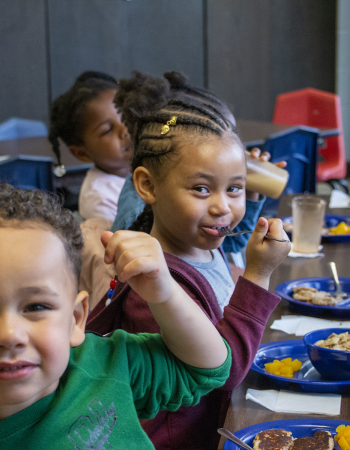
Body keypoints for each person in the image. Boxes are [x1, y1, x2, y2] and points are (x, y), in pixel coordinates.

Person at [87, 71, 291, 450]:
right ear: (147, 186)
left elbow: (227, 233)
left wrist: (254, 210)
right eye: (201, 188)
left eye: (235, 188)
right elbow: (223, 371)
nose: (222, 207)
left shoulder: (197, 246)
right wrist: (259, 273)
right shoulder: (155, 287)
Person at [0, 184, 231, 449]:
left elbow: (206, 369)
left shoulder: (104, 362)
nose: (9, 335)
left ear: (75, 319)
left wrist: (166, 295)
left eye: (36, 307)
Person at [49, 70, 133, 221]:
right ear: (81, 153)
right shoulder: (100, 200)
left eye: (125, 116)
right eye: (107, 130)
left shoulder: (151, 160)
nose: (125, 129)